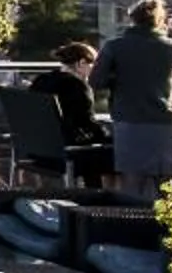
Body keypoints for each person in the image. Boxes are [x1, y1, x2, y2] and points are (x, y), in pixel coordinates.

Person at [89, 0, 172, 196]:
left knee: (133, 183)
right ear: (161, 20)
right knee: (171, 185)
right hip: (170, 124)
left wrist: (119, 79)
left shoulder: (115, 47)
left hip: (131, 122)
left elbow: (96, 81)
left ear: (132, 20)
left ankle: (135, 223)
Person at [27, 41, 113, 184]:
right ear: (81, 63)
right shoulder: (77, 86)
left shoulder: (41, 80)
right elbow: (87, 123)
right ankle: (100, 199)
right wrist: (110, 137)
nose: (95, 71)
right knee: (110, 153)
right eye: (93, 65)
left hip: (37, 152)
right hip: (64, 153)